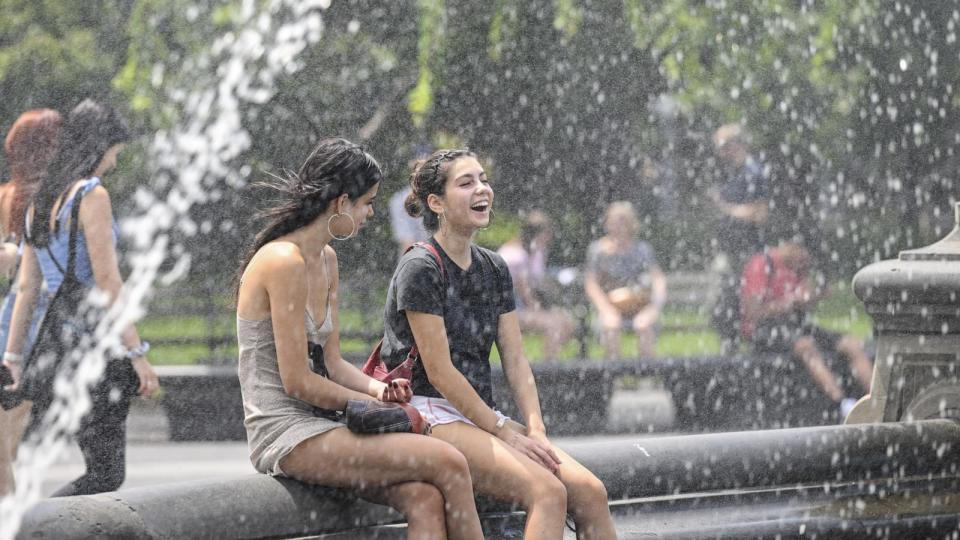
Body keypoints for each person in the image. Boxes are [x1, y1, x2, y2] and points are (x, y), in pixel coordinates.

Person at [235, 138, 483, 540]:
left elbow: (332, 363)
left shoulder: (327, 260)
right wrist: (368, 403)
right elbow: (296, 381)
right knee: (450, 461)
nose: (371, 213)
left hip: (324, 422)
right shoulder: (282, 261)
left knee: (423, 497)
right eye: (367, 203)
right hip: (284, 431)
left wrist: (380, 390)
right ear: (340, 204)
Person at [383, 149, 616, 539]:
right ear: (436, 203)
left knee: (591, 492)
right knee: (547, 492)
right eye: (466, 182)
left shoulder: (494, 267)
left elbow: (516, 360)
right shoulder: (420, 266)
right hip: (429, 412)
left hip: (479, 414)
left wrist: (536, 429)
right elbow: (439, 372)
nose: (482, 189)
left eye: (484, 179)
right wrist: (502, 429)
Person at [2, 99, 159, 497]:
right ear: (98, 145)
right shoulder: (91, 195)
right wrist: (137, 352)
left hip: (59, 355)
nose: (115, 161)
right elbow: (108, 281)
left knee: (100, 472)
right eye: (114, 152)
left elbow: (27, 290)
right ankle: (38, 528)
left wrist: (14, 359)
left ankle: (33, 524)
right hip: (96, 355)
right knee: (106, 475)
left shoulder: (37, 203)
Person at [0, 109, 62, 496]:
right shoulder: (52, 197)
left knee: (9, 442)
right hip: (33, 324)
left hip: (13, 321)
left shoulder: (10, 195)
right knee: (10, 443)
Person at [739, 240, 872, 417]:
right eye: (801, 255)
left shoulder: (798, 267)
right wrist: (789, 303)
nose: (803, 262)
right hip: (765, 328)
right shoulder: (761, 265)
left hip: (795, 324)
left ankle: (877, 398)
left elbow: (803, 306)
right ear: (789, 246)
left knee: (851, 344)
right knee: (805, 346)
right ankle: (842, 403)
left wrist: (816, 296)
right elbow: (752, 312)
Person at [708, 124, 771, 349]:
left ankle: (751, 349)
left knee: (740, 300)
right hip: (729, 249)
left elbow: (759, 213)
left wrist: (724, 208)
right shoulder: (728, 173)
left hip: (747, 251)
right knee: (722, 302)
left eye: (723, 145)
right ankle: (731, 348)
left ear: (738, 144)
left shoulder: (754, 173)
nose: (719, 151)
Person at [584, 201, 667, 360]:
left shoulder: (642, 250)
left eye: (623, 220)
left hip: (639, 305)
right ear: (607, 223)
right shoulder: (598, 251)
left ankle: (647, 375)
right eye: (615, 220)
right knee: (611, 326)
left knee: (644, 325)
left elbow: (658, 279)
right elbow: (591, 284)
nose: (619, 225)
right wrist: (605, 309)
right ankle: (612, 375)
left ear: (631, 223)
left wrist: (654, 307)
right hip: (609, 305)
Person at [497, 211, 574, 360]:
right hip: (507, 312)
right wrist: (541, 313)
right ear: (534, 234)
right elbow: (525, 293)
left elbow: (540, 282)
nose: (549, 238)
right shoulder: (515, 256)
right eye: (547, 233)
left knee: (567, 321)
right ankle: (548, 372)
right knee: (554, 325)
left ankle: (548, 361)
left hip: (521, 308)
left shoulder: (536, 252)